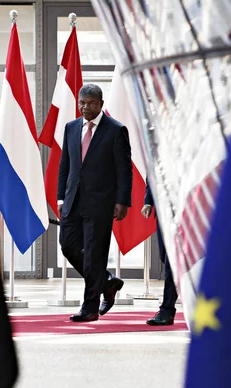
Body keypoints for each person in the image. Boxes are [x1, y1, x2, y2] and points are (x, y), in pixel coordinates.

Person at [58, 84, 133, 322]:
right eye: (82, 102)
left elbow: (124, 169)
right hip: (73, 201)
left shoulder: (115, 130)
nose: (85, 107)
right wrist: (61, 197)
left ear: (101, 104)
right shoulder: (71, 128)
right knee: (68, 245)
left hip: (101, 203)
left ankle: (89, 307)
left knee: (93, 254)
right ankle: (107, 282)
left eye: (90, 103)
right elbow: (65, 166)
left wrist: (122, 201)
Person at [142, 179, 179, 326]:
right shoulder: (161, 154)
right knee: (165, 256)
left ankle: (167, 310)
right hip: (162, 207)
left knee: (172, 260)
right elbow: (153, 172)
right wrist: (148, 201)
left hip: (184, 205)